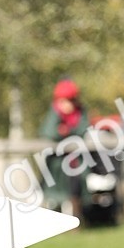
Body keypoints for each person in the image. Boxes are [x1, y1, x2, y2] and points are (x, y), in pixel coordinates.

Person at [39, 78, 90, 218]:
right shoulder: (54, 113)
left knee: (76, 191)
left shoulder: (81, 112)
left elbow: (82, 131)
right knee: (54, 194)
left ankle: (77, 220)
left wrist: (67, 130)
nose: (67, 104)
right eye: (63, 101)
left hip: (76, 161)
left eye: (69, 100)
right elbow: (48, 132)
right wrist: (57, 115)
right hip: (56, 164)